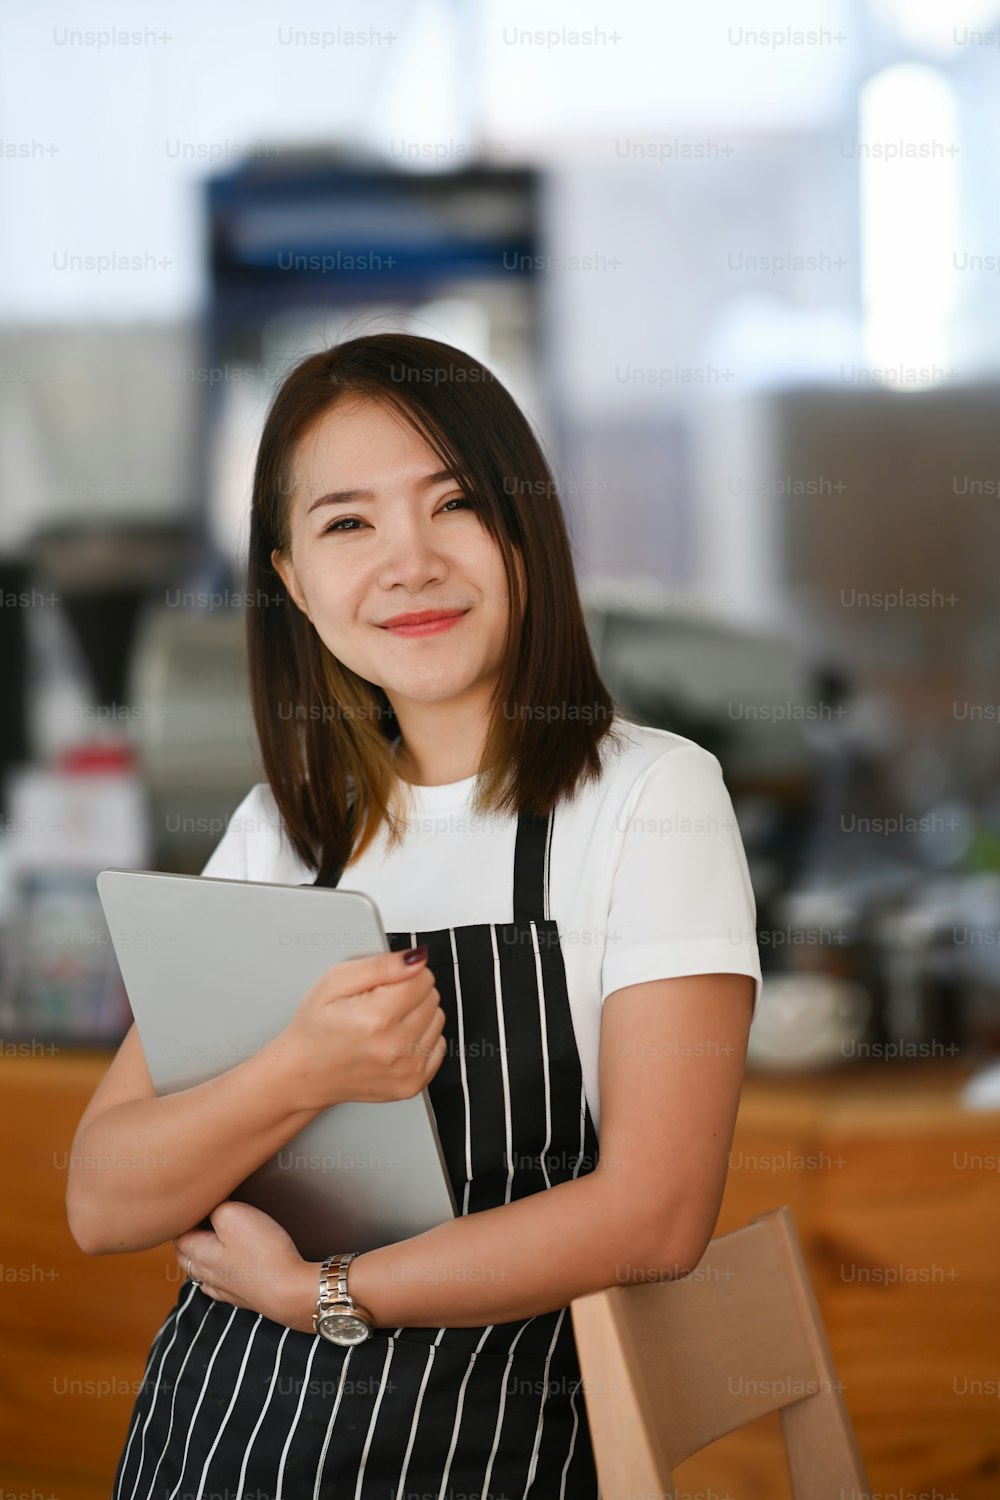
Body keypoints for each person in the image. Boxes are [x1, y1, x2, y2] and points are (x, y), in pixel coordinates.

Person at [67, 331, 762, 1499]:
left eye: (454, 506)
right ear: (292, 579)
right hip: (218, 1437)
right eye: (348, 524)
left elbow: (656, 1214)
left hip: (485, 1447)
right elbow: (102, 1199)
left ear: (525, 530)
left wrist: (320, 1296)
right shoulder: (290, 827)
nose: (410, 562)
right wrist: (298, 1070)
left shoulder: (648, 795)